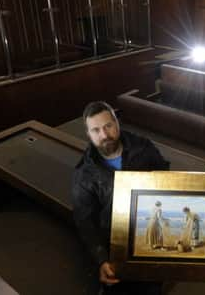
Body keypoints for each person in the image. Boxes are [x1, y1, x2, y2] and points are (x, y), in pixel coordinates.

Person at [71, 101, 169, 295]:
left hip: (148, 237)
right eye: (96, 130)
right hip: (114, 247)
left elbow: (165, 177)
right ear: (88, 134)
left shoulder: (144, 147)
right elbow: (85, 222)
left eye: (108, 126)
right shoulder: (84, 173)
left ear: (117, 122)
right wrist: (102, 259)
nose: (104, 135)